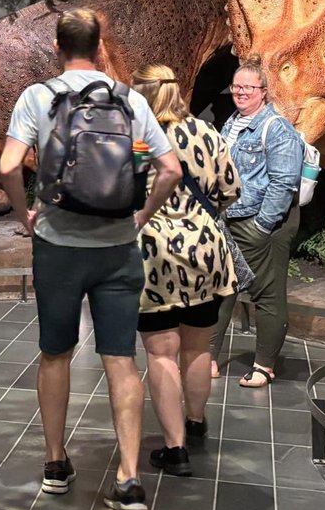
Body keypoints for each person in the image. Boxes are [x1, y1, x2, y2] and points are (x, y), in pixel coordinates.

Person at [0, 8, 181, 510]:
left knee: (55, 354)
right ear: (101, 48)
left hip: (57, 246)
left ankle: (56, 464)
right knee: (121, 360)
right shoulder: (131, 101)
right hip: (119, 248)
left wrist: (24, 215)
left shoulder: (38, 98)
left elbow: (9, 166)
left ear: (57, 48)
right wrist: (140, 213)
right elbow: (168, 169)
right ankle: (129, 480)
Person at [129, 65, 240, 476]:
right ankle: (196, 422)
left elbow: (129, 189)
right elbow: (231, 190)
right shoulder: (209, 133)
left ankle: (174, 449)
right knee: (199, 346)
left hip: (154, 253)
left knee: (161, 354)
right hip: (207, 253)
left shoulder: (140, 139)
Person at [208, 60, 304, 388]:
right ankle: (208, 359)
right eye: (237, 87)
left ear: (263, 92)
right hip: (231, 220)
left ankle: (264, 366)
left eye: (249, 87)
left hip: (264, 223)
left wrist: (262, 225)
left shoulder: (276, 128)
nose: (241, 92)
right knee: (223, 288)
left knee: (267, 293)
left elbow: (284, 182)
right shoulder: (233, 122)